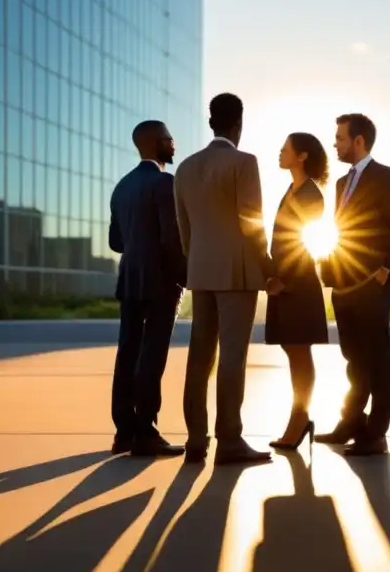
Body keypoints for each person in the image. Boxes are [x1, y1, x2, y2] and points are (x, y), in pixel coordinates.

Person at [173, 93, 283, 465]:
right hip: (237, 272)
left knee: (199, 356)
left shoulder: (185, 168)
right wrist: (267, 266)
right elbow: (251, 220)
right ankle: (230, 440)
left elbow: (184, 229)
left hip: (201, 271)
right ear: (239, 123)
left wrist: (198, 262)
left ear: (210, 123)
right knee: (232, 357)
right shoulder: (243, 162)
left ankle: (195, 440)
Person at [315, 113, 390, 457]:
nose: (336, 145)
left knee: (377, 358)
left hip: (373, 284)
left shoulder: (388, 177)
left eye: (341, 139)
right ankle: (351, 423)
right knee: (353, 357)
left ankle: (376, 434)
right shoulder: (342, 185)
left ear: (359, 141)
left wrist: (385, 270)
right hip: (344, 284)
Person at [107, 120, 187, 458]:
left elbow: (115, 242)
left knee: (127, 353)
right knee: (152, 355)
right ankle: (146, 433)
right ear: (156, 143)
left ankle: (124, 432)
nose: (173, 144)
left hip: (129, 279)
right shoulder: (164, 183)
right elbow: (172, 238)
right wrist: (184, 277)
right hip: (159, 281)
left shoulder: (122, 186)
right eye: (169, 139)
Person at [265, 133, 330, 451]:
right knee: (293, 350)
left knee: (300, 351)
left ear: (302, 156)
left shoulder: (310, 194)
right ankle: (299, 418)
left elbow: (299, 240)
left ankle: (299, 419)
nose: (280, 152)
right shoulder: (291, 190)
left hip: (297, 283)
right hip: (284, 281)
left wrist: (284, 280)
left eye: (285, 148)